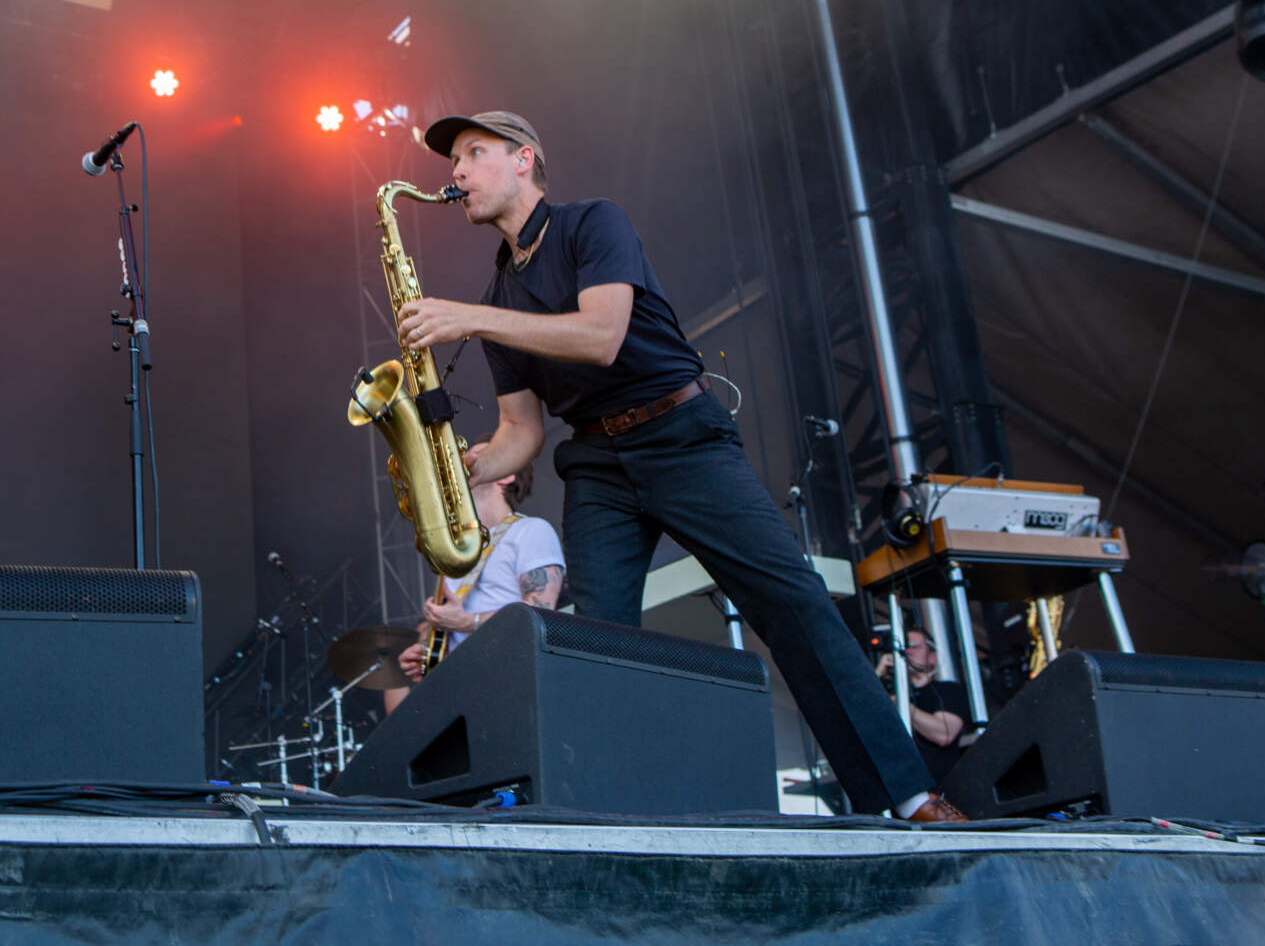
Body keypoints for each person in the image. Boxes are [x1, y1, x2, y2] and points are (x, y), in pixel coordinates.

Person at [395, 110, 965, 822]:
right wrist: (460, 474)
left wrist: (470, 321)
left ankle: (912, 798)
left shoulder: (594, 224)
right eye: (454, 160)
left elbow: (603, 336)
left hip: (680, 431)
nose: (457, 172)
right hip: (598, 460)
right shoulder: (496, 296)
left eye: (475, 153)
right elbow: (522, 429)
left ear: (524, 160)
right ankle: (608, 817)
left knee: (793, 605)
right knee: (595, 645)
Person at [386, 452, 565, 713]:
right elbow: (451, 621)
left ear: (506, 474)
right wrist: (425, 646)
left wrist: (470, 622)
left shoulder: (531, 530)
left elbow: (542, 613)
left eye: (476, 457)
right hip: (466, 692)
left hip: (515, 682)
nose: (464, 462)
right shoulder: (459, 550)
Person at [876, 628, 969, 786]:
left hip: (944, 791)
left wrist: (901, 704)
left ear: (932, 657)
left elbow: (944, 734)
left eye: (913, 646)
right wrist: (877, 676)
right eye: (902, 647)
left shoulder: (948, 690)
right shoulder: (887, 694)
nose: (906, 651)